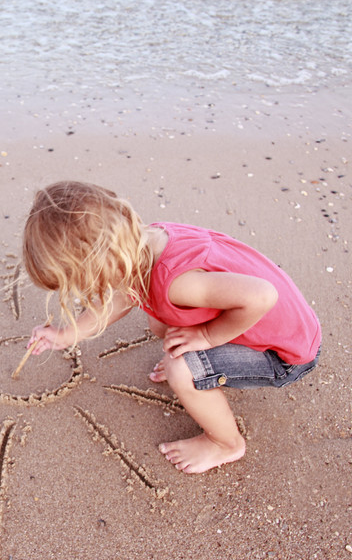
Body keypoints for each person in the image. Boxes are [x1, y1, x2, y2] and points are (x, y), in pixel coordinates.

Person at [23, 181, 320, 474]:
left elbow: (261, 296)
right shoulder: (147, 241)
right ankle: (204, 362)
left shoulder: (178, 283)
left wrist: (206, 336)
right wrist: (67, 335)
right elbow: (123, 297)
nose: (84, 291)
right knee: (160, 319)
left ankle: (226, 443)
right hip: (268, 321)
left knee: (181, 368)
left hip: (284, 355)